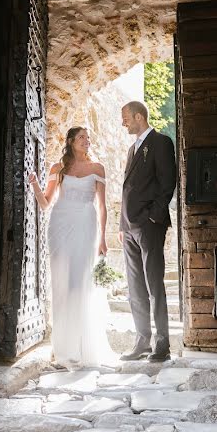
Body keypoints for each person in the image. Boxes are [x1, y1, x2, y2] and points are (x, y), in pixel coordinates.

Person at [28, 127, 114, 368]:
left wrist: (103, 239)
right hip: (60, 224)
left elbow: (102, 207)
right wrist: (35, 184)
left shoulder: (98, 169)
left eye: (89, 137)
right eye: (82, 137)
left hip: (86, 225)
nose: (87, 140)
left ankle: (81, 348)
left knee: (79, 282)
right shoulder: (59, 168)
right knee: (61, 283)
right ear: (71, 141)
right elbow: (45, 203)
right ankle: (63, 350)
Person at [118, 101, 177, 362]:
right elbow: (127, 189)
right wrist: (123, 225)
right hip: (129, 228)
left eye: (126, 118)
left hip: (149, 226)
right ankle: (142, 340)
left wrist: (153, 217)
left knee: (154, 283)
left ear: (139, 117)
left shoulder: (161, 143)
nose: (124, 123)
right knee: (135, 287)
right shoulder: (132, 149)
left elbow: (167, 183)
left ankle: (162, 342)